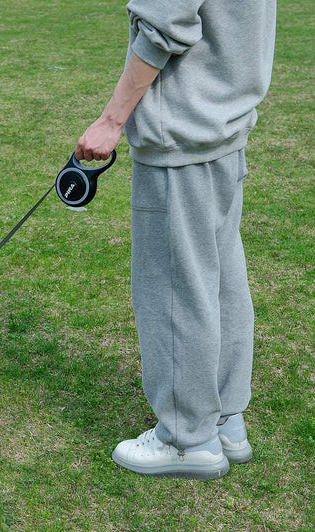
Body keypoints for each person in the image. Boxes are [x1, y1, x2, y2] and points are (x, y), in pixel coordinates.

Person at [75, 0, 276, 479]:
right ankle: (225, 420)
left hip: (182, 133)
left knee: (174, 287)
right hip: (222, 125)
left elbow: (166, 25)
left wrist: (111, 120)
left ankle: (187, 438)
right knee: (221, 274)